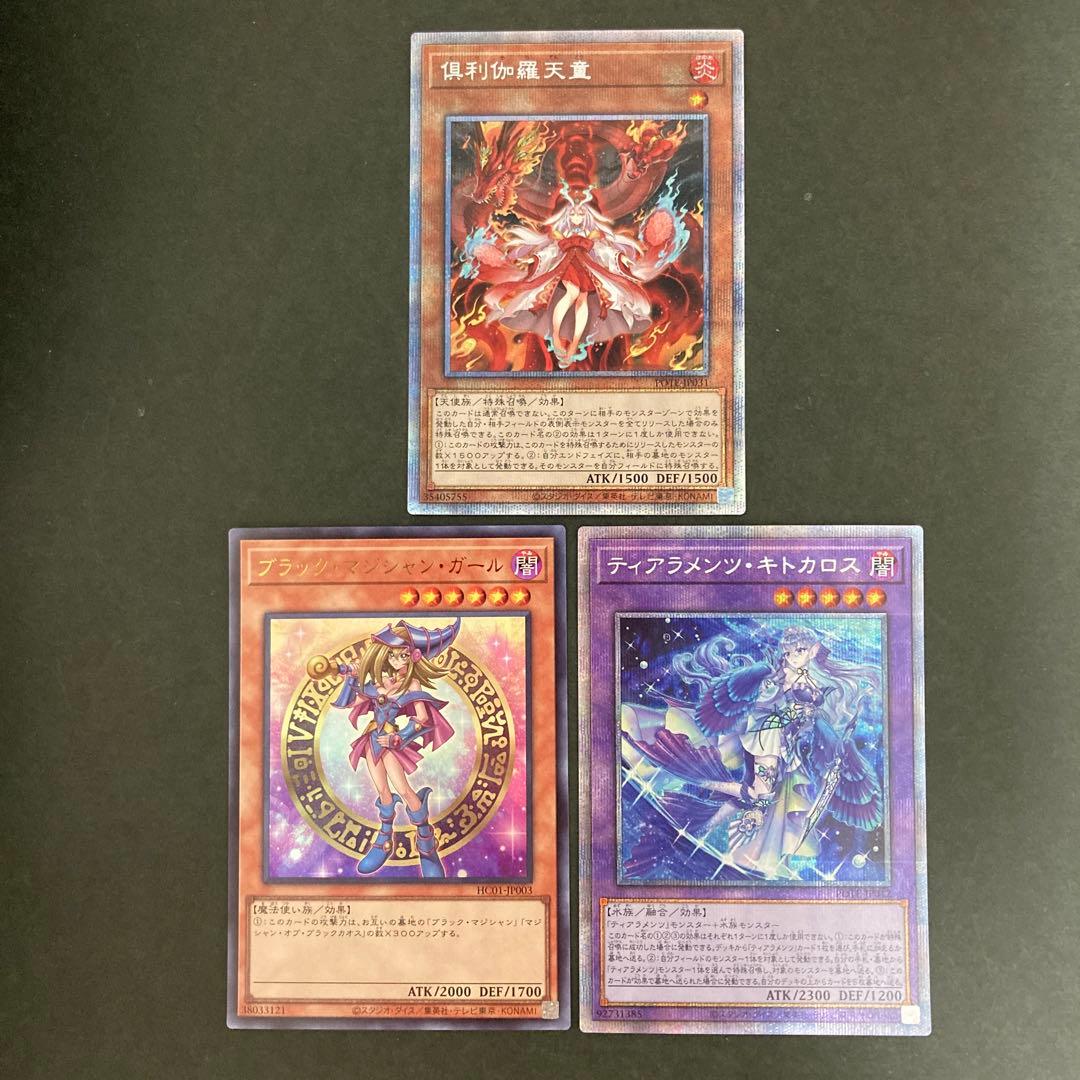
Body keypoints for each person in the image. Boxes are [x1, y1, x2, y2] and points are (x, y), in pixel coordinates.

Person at [306, 618, 459, 878]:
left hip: (391, 742)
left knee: (404, 789)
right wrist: (351, 677)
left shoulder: (411, 684)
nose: (397, 661)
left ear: (414, 656)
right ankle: (384, 841)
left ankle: (426, 843)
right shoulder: (379, 681)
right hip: (372, 740)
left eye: (403, 655)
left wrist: (399, 737)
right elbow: (352, 702)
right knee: (383, 791)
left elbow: (422, 718)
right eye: (393, 655)